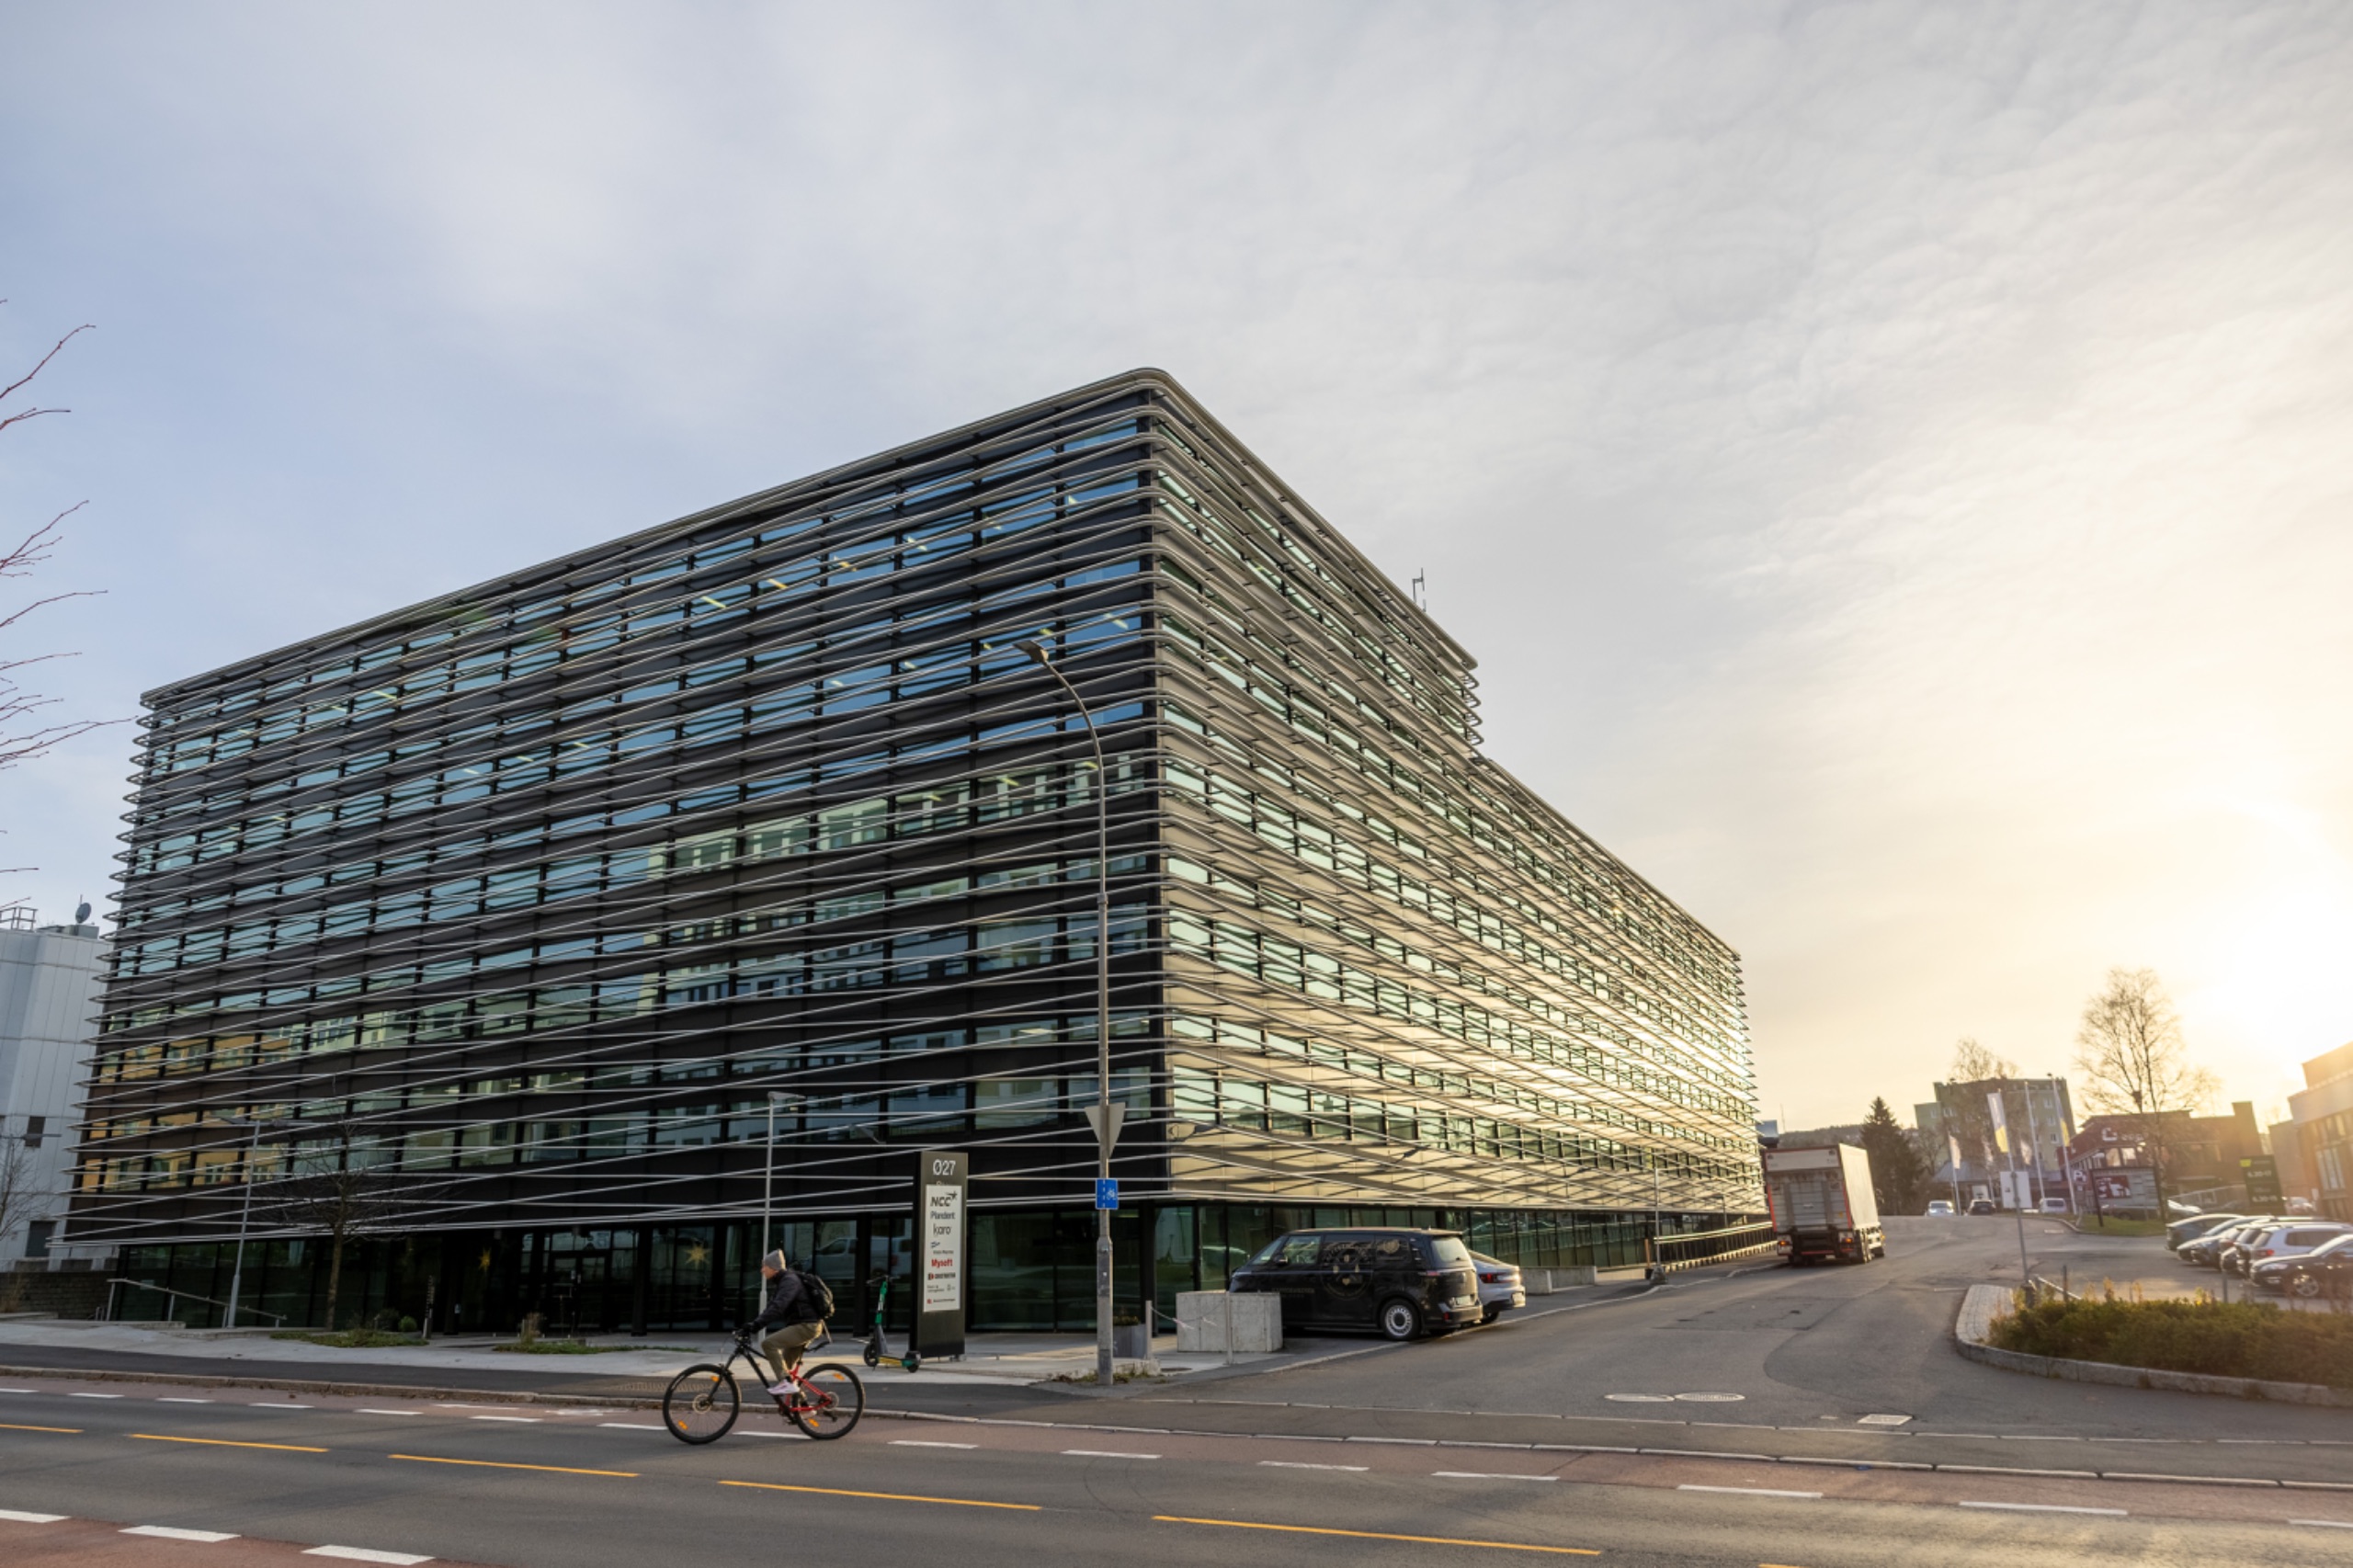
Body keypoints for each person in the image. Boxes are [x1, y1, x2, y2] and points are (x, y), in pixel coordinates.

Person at [746, 1251, 824, 1395]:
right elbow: (771, 1306)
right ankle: (801, 1404)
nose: (762, 1270)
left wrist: (757, 1325)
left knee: (768, 1344)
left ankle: (785, 1383)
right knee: (785, 1368)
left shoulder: (789, 1281)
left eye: (764, 1266)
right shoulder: (783, 1281)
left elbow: (778, 1307)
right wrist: (754, 1324)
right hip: (804, 1325)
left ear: (773, 1268)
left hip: (807, 1326)